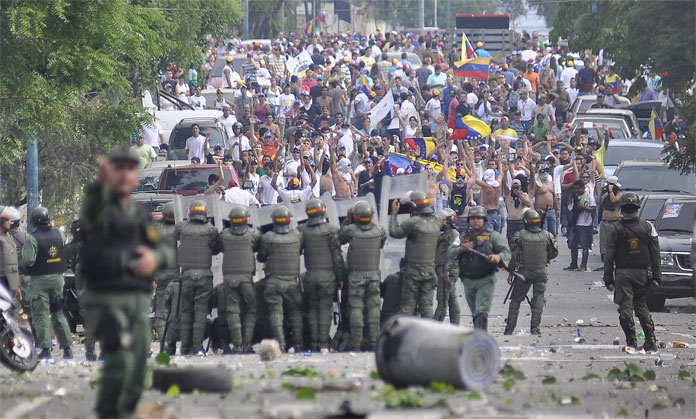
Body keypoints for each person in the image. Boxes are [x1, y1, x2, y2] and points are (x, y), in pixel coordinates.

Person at [79, 147, 174, 418]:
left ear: (137, 176)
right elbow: (92, 211)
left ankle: (123, 411)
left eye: (129, 169)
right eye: (117, 169)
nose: (123, 174)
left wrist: (155, 258)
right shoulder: (100, 210)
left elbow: (166, 248)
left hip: (137, 297)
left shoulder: (141, 215)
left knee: (139, 362)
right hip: (106, 296)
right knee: (120, 358)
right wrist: (99, 185)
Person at [603, 193, 661, 353]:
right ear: (637, 208)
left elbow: (609, 256)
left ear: (622, 209)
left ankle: (632, 342)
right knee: (642, 307)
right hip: (642, 274)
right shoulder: (647, 227)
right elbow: (656, 253)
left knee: (625, 309)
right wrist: (657, 276)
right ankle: (651, 341)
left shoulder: (616, 229)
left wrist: (608, 279)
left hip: (623, 274)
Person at [21, 207, 73, 359]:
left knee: (41, 315)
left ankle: (45, 350)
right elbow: (67, 252)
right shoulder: (60, 234)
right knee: (58, 313)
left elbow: (28, 260)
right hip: (58, 280)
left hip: (39, 282)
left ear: (34, 222)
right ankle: (67, 349)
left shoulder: (32, 238)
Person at [174, 200, 222, 356]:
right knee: (200, 313)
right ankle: (197, 347)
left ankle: (184, 347)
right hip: (204, 276)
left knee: (186, 312)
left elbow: (177, 235)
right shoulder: (211, 230)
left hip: (186, 275)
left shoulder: (182, 228)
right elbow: (215, 250)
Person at [339, 201, 387, 351]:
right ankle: (373, 341)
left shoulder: (351, 231)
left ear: (356, 216)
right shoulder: (380, 231)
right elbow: (380, 244)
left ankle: (356, 342)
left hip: (355, 276)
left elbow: (340, 236)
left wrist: (347, 218)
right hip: (373, 275)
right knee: (373, 308)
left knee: (356, 308)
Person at [454, 205, 511, 331]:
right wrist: (461, 248)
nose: (476, 221)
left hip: (485, 279)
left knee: (481, 310)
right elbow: (449, 252)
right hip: (468, 279)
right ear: (469, 220)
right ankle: (477, 334)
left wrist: (499, 257)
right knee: (474, 311)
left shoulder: (493, 236)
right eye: (473, 218)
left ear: (484, 220)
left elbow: (506, 252)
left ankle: (481, 337)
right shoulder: (463, 237)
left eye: (479, 218)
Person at [298, 199, 343, 352]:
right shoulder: (331, 230)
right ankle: (323, 343)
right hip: (328, 277)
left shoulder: (301, 230)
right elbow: (337, 257)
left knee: (312, 309)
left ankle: (314, 342)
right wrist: (340, 278)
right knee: (325, 309)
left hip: (310, 276)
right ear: (323, 210)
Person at [504, 210, 558, 335]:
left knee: (516, 299)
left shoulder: (519, 236)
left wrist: (511, 271)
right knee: (538, 298)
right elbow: (554, 252)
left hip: (524, 272)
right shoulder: (547, 235)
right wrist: (546, 259)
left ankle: (510, 328)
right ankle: (535, 328)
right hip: (541, 271)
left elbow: (513, 256)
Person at [257, 206, 304, 352]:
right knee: (295, 313)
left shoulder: (268, 238)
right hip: (291, 282)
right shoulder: (297, 236)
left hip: (273, 282)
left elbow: (261, 257)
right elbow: (300, 250)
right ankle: (298, 344)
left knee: (276, 313)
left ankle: (280, 344)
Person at [389, 191, 440, 318]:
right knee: (427, 306)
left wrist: (394, 213)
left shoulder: (413, 222)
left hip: (413, 272)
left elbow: (395, 232)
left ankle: (406, 336)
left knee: (407, 307)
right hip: (430, 271)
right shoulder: (437, 221)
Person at [219, 207, 259, 353]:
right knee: (251, 309)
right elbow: (258, 247)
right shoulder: (253, 234)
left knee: (232, 311)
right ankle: (247, 345)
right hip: (246, 278)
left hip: (229, 277)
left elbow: (219, 247)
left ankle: (237, 345)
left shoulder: (224, 235)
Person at [153, 203, 178, 344]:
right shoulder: (180, 232)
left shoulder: (158, 234)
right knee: (177, 310)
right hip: (177, 277)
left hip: (161, 277)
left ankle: (164, 341)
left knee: (161, 311)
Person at [433, 208, 461, 325]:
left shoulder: (454, 234)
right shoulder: (446, 234)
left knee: (442, 300)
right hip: (444, 269)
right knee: (452, 299)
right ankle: (455, 325)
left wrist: (447, 270)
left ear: (448, 222)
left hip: (447, 270)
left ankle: (434, 328)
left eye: (442, 220)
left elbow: (453, 253)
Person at [566, 179, 596, 271]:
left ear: (583, 188)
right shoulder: (575, 196)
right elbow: (569, 206)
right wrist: (571, 197)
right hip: (575, 223)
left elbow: (593, 209)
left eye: (578, 189)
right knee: (573, 244)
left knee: (584, 245)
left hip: (585, 224)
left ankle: (583, 265)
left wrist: (583, 207)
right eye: (575, 189)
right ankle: (573, 264)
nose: (576, 190)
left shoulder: (589, 196)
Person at [599, 176, 624, 261]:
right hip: (604, 221)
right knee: (604, 243)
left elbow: (614, 200)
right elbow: (598, 202)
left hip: (614, 221)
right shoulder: (606, 193)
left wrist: (610, 190)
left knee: (612, 243)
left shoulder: (619, 193)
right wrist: (602, 191)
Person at [0, 207, 22, 302]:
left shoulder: (7, 236)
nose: (10, 222)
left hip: (9, 283)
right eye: (7, 220)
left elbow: (12, 263)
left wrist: (16, 285)